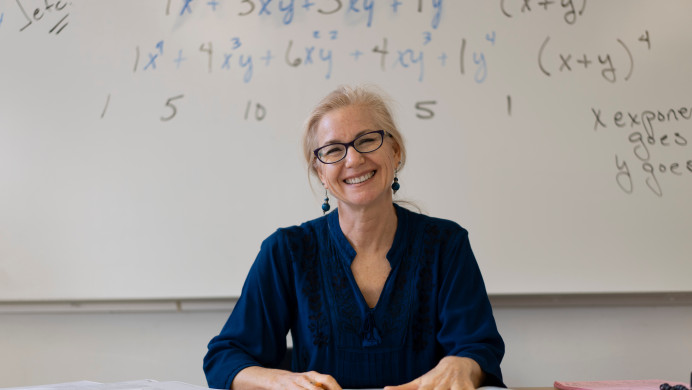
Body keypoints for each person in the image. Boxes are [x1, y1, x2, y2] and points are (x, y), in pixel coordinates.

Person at [203, 85, 505, 390]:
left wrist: (465, 364)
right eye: (333, 150)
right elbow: (224, 359)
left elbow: (479, 349)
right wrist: (280, 381)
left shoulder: (446, 244)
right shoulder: (286, 251)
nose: (353, 159)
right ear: (320, 171)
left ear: (395, 151)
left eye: (367, 140)